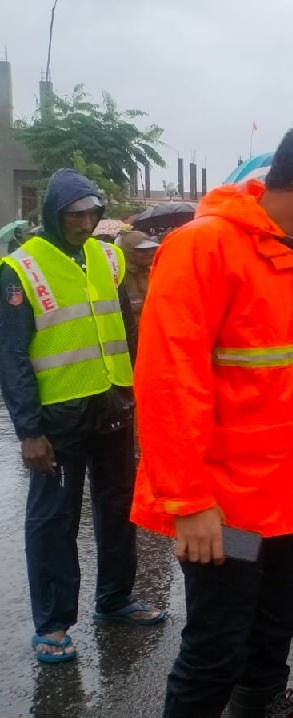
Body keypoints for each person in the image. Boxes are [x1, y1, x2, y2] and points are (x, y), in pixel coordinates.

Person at [131, 120, 293, 717]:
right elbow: (169, 383)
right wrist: (189, 503)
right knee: (217, 646)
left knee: (275, 633)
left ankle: (259, 707)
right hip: (229, 511)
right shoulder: (202, 247)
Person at [0, 168, 164, 665]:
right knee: (54, 520)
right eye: (75, 215)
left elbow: (126, 329)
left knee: (118, 510)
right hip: (58, 418)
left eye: (92, 214)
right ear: (53, 213)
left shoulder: (107, 258)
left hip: (113, 407)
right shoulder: (21, 268)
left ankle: (114, 600)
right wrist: (29, 430)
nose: (85, 223)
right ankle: (52, 625)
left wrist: (137, 391)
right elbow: (11, 357)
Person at [115, 230, 160, 333]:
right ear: (128, 252)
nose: (149, 253)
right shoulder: (119, 278)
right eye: (142, 250)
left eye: (150, 249)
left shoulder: (155, 272)